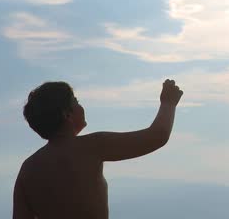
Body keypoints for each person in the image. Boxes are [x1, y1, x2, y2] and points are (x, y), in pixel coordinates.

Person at [12, 79, 183, 219]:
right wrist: (168, 103)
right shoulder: (91, 146)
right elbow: (157, 136)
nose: (81, 106)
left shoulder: (28, 169)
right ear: (67, 114)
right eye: (76, 102)